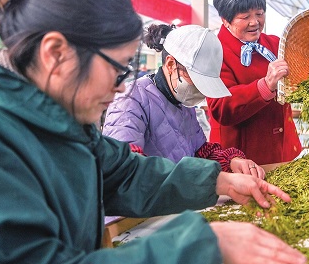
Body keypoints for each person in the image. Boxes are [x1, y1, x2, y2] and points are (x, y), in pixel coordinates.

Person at [0, 0, 306, 264]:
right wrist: (202, 243)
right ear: (56, 54)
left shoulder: (63, 117)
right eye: (117, 70)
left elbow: (125, 173)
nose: (121, 87)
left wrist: (218, 181)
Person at [103, 23, 265, 178]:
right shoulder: (130, 100)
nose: (200, 90)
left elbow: (200, 152)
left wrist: (231, 162)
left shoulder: (182, 103)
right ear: (171, 64)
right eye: (196, 79)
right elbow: (125, 167)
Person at [207, 0, 302, 165]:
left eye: (259, 14)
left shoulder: (275, 44)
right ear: (225, 20)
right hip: (241, 156)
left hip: (282, 148)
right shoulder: (214, 52)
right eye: (245, 17)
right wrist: (265, 86)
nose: (255, 22)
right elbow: (221, 108)